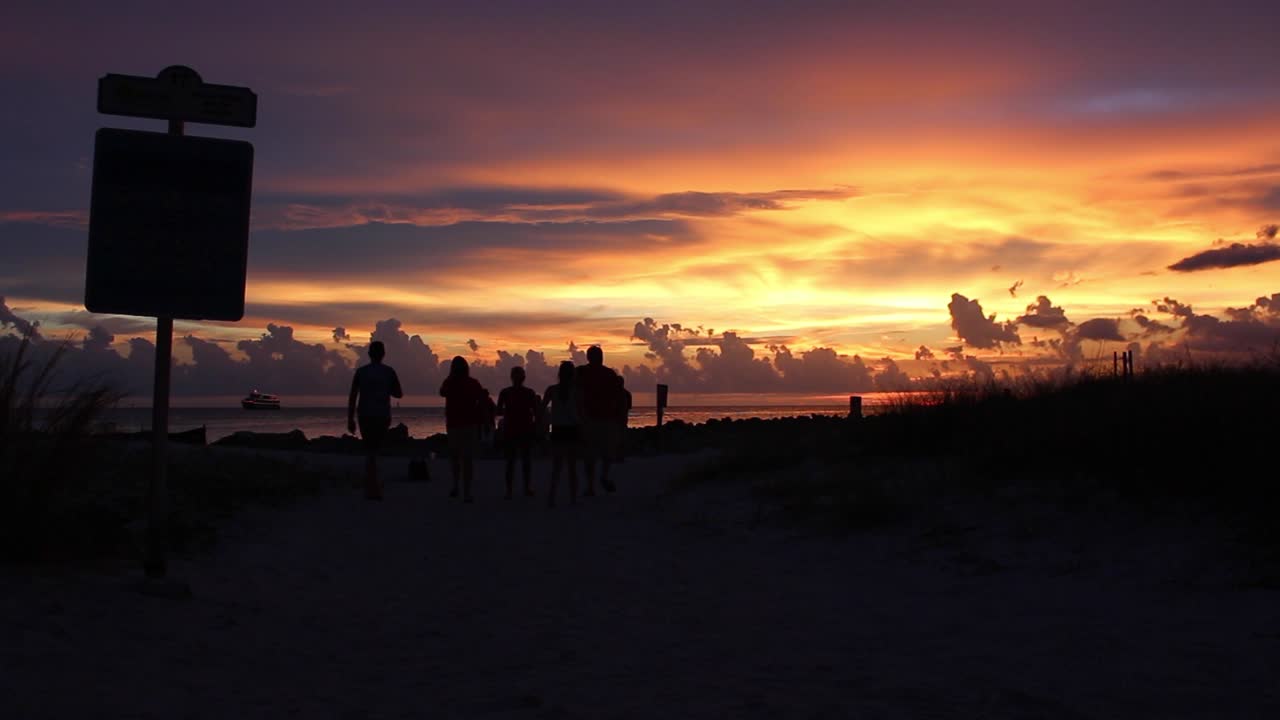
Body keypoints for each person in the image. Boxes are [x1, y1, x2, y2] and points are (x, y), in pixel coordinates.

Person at [347, 340, 403, 501]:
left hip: (364, 415)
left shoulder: (361, 372)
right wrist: (386, 388)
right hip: (382, 415)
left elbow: (352, 396)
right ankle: (374, 487)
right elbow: (399, 393)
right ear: (383, 354)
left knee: (370, 451)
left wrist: (350, 419)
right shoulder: (389, 372)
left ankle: (370, 486)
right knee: (375, 450)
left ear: (369, 354)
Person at [439, 356, 487, 503]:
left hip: (456, 424)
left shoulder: (450, 382)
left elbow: (442, 392)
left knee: (455, 458)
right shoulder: (472, 383)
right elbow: (482, 399)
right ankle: (466, 491)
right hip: (467, 424)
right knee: (466, 460)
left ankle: (457, 486)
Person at [576, 345, 620, 495]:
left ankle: (592, 484)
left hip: (595, 419)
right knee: (602, 453)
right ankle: (600, 478)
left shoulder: (582, 372)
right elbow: (617, 398)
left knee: (592, 455)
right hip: (598, 418)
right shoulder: (606, 374)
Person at [496, 366, 539, 499]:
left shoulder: (505, 392)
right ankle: (526, 488)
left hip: (511, 428)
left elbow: (498, 411)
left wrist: (510, 412)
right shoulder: (530, 393)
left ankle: (509, 491)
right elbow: (537, 412)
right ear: (524, 378)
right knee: (525, 460)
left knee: (510, 461)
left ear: (511, 377)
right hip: (525, 428)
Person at [543, 360, 579, 507]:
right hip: (571, 429)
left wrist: (545, 424)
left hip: (558, 429)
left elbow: (541, 408)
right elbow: (582, 411)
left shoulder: (552, 390)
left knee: (557, 466)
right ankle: (573, 499)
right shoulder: (577, 390)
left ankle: (552, 497)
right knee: (572, 466)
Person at [614, 374, 632, 463]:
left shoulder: (615, 394)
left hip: (618, 419)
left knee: (617, 438)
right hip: (621, 418)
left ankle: (619, 456)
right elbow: (629, 407)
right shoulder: (627, 394)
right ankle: (620, 456)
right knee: (620, 438)